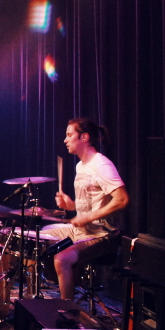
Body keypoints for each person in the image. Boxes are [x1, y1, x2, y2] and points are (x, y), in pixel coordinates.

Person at [49, 118, 129, 300]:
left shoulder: (101, 165)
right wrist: (70, 205)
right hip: (81, 231)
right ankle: (64, 289)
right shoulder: (80, 165)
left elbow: (122, 199)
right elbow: (91, 203)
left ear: (84, 137)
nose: (65, 140)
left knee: (62, 258)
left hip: (103, 235)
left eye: (69, 135)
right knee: (42, 236)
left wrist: (89, 217)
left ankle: (68, 312)